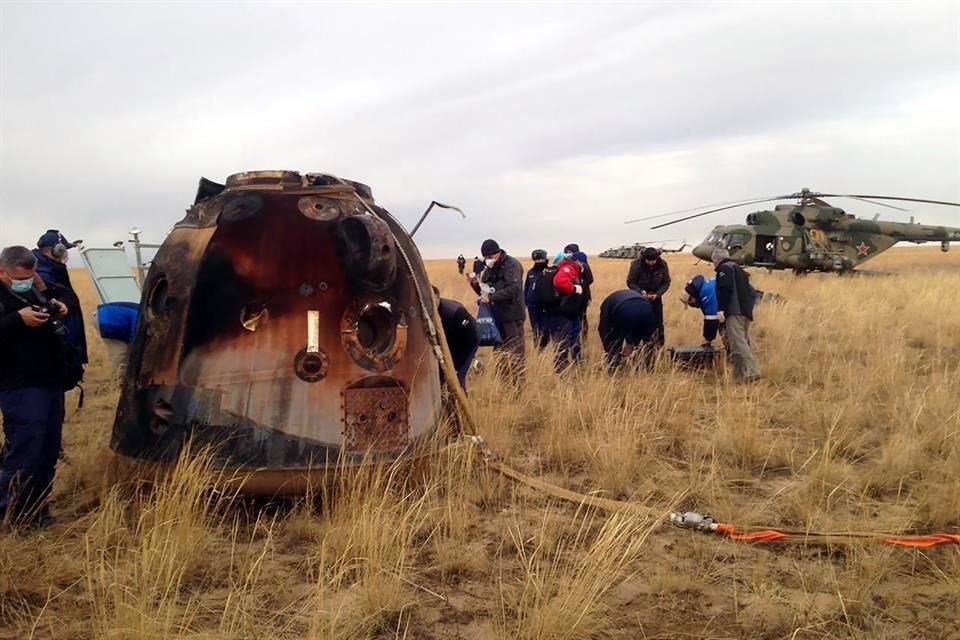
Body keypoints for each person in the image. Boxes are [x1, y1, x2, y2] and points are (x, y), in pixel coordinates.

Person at [0, 246, 71, 527]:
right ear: (2, 271)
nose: (26, 280)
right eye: (20, 277)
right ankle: (8, 514)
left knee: (47, 451)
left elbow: (65, 295)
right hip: (19, 385)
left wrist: (59, 305)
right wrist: (18, 320)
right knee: (26, 451)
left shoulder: (33, 288)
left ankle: (37, 512)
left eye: (31, 275)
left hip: (49, 381)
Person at [32, 230, 88, 367]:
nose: (66, 254)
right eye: (65, 249)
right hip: (54, 343)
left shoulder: (51, 269)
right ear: (57, 250)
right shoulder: (43, 273)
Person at [469, 239, 525, 372]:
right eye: (486, 258)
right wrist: (475, 285)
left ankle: (517, 387)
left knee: (515, 353)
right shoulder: (489, 269)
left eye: (490, 257)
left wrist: (492, 297)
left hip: (512, 316)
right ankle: (503, 383)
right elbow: (486, 290)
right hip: (496, 316)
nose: (488, 260)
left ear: (498, 253)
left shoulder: (512, 265)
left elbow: (514, 288)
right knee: (500, 352)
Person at [712, 248, 761, 382]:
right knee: (740, 342)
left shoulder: (724, 269)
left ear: (717, 260)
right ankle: (739, 377)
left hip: (734, 312)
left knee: (738, 344)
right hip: (745, 311)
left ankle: (751, 372)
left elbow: (725, 289)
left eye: (713, 262)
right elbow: (753, 292)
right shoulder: (739, 269)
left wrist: (722, 309)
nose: (713, 265)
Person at [542, 251, 586, 370]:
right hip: (562, 313)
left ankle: (564, 367)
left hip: (561, 311)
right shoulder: (568, 268)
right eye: (582, 263)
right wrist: (574, 289)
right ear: (577, 261)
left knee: (562, 341)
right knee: (562, 343)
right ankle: (561, 370)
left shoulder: (564, 267)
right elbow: (560, 282)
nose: (583, 265)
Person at [598, 289, 657, 372]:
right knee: (649, 340)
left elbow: (603, 328)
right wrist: (631, 343)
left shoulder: (606, 305)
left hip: (622, 308)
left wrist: (608, 348)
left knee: (615, 340)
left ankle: (615, 369)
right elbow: (635, 325)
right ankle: (650, 367)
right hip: (646, 307)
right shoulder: (614, 299)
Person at [433, 286, 479, 392]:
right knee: (442, 377)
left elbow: (472, 336)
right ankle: (445, 405)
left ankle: (459, 405)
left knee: (457, 379)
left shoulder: (454, 312)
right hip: (448, 345)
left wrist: (460, 363)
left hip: (465, 343)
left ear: (437, 298)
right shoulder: (427, 313)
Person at [626, 246, 671, 346]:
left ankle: (658, 346)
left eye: (653, 260)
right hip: (638, 299)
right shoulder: (636, 265)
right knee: (637, 323)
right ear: (644, 258)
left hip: (656, 298)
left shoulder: (663, 265)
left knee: (658, 323)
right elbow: (630, 282)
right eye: (648, 261)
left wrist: (658, 294)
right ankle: (634, 345)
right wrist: (640, 292)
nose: (651, 263)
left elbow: (666, 282)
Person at [680, 275, 721, 347]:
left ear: (691, 298)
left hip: (738, 308)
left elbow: (711, 319)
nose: (692, 305)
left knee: (736, 340)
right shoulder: (703, 288)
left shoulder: (705, 294)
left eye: (690, 303)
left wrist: (707, 339)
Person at [564, 243, 593, 339]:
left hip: (582, 295)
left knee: (582, 317)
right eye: (567, 252)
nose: (568, 254)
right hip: (576, 294)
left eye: (569, 252)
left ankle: (583, 337)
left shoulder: (583, 265)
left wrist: (579, 286)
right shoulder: (575, 264)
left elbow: (590, 280)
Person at [524, 249, 550, 347]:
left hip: (545, 306)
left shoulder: (548, 271)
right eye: (536, 260)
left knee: (545, 330)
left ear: (545, 259)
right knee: (535, 330)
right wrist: (525, 301)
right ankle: (537, 350)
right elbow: (526, 287)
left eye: (540, 259)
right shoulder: (530, 272)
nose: (538, 262)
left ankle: (545, 349)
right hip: (532, 307)